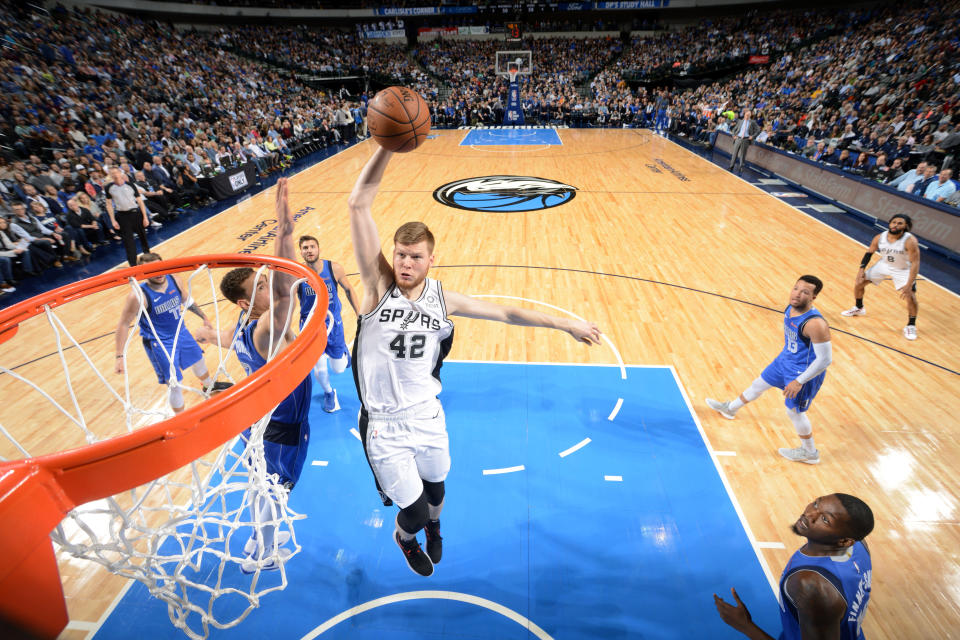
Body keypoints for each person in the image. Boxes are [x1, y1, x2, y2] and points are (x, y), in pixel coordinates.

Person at [348, 147, 601, 577]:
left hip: (427, 414)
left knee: (437, 492)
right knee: (410, 512)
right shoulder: (377, 287)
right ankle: (405, 538)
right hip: (384, 424)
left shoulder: (443, 298)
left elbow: (506, 312)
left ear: (432, 259)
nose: (406, 263)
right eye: (401, 254)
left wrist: (563, 323)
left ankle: (434, 526)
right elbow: (358, 203)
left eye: (416, 256)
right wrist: (388, 146)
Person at [195, 178, 309, 573]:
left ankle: (264, 534)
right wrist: (284, 231)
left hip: (261, 422)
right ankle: (261, 552)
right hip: (279, 426)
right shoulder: (264, 329)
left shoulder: (239, 328)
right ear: (246, 302)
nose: (267, 288)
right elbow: (284, 290)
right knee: (270, 493)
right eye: (258, 286)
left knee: (267, 488)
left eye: (264, 281)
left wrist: (202, 335)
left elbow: (217, 337)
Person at [706, 276, 831, 464]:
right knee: (758, 384)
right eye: (796, 288)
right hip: (784, 361)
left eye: (805, 292)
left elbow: (825, 360)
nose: (797, 293)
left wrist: (799, 382)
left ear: (814, 297)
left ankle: (810, 452)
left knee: (794, 412)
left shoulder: (815, 324)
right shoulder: (791, 308)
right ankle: (730, 409)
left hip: (802, 373)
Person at [714, 493, 873, 640]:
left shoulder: (811, 585)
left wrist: (745, 626)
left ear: (844, 541)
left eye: (825, 519)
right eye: (816, 504)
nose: (810, 514)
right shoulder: (860, 547)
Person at [114, 252, 229, 414]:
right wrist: (119, 356)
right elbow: (124, 324)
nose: (159, 273)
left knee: (199, 360)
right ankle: (180, 417)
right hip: (160, 342)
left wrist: (203, 316)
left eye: (160, 268)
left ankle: (209, 386)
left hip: (181, 333)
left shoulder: (174, 279)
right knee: (174, 384)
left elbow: (185, 299)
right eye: (153, 270)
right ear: (144, 272)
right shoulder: (138, 296)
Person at [297, 234, 358, 413]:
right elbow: (289, 300)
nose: (309, 250)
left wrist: (359, 313)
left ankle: (344, 353)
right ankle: (329, 393)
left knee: (338, 369)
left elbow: (349, 289)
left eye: (312, 247)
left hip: (334, 324)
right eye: (305, 248)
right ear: (300, 252)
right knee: (320, 369)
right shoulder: (298, 274)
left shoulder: (334, 268)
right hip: (311, 327)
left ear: (318, 249)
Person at [840, 214, 920, 340]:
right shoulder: (880, 237)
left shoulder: (910, 241)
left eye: (900, 223)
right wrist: (861, 269)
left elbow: (915, 263)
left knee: (910, 296)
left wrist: (909, 284)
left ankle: (911, 325)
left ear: (906, 226)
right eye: (893, 222)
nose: (895, 225)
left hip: (903, 269)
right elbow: (869, 252)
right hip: (885, 264)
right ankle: (859, 307)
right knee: (859, 283)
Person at [105, 167, 151, 266]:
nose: (114, 174)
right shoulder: (109, 187)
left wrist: (145, 217)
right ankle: (133, 265)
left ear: (120, 173)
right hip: (122, 216)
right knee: (128, 242)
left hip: (136, 213)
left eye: (116, 172)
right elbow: (109, 204)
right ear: (110, 175)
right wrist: (113, 220)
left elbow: (140, 201)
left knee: (143, 237)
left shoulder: (130, 185)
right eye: (112, 173)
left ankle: (148, 259)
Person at [729, 109, 761, 173]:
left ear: (750, 116)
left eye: (748, 115)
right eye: (746, 115)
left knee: (743, 154)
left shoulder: (753, 122)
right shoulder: (740, 121)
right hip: (738, 138)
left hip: (746, 139)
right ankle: (731, 166)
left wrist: (753, 136)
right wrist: (733, 135)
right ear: (744, 115)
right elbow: (734, 129)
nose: (747, 116)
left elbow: (758, 130)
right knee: (735, 153)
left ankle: (741, 167)